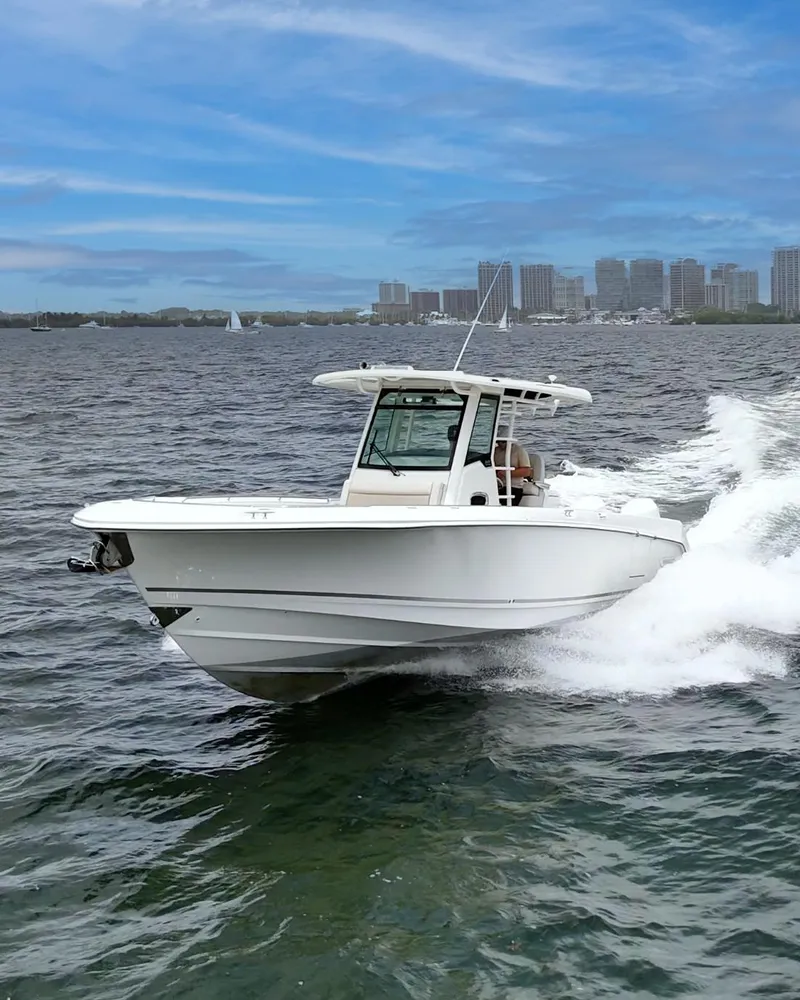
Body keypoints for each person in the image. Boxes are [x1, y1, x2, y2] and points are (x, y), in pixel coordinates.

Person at [493, 423, 532, 506]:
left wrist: (506, 473)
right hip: (497, 485)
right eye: (498, 441)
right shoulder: (495, 451)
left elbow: (527, 471)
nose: (500, 444)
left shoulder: (519, 451)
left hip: (514, 487)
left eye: (503, 442)